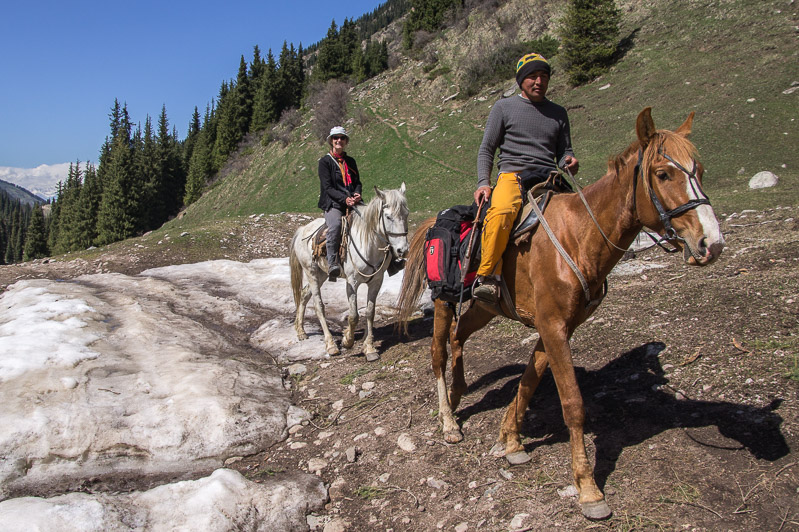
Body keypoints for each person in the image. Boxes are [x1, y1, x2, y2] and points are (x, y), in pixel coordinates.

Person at [472, 52, 579, 304]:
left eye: (543, 76)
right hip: (513, 175)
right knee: (501, 214)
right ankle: (488, 276)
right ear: (521, 81)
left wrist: (568, 161)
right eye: (532, 76)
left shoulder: (558, 112)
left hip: (548, 176)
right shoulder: (503, 107)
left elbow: (564, 151)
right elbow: (487, 148)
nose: (538, 81)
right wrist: (483, 183)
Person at [318, 126, 362, 281]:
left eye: (342, 138)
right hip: (333, 204)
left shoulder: (350, 161)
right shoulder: (325, 162)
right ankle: (332, 263)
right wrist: (344, 199)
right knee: (336, 225)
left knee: (375, 218)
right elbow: (328, 187)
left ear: (345, 141)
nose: (339, 140)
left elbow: (357, 182)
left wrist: (357, 193)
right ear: (331, 141)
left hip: (352, 201)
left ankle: (389, 262)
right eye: (335, 138)